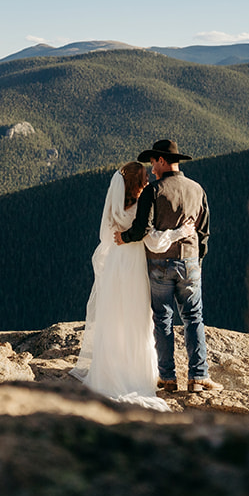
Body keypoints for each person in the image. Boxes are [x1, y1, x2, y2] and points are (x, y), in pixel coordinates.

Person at [70, 161, 188, 410]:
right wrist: (180, 232)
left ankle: (109, 370)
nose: (148, 179)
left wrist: (122, 239)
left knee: (113, 315)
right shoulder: (141, 206)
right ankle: (135, 373)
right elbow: (153, 241)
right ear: (136, 182)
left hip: (115, 262)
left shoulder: (116, 209)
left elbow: (107, 236)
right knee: (136, 317)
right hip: (134, 264)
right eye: (144, 176)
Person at [117, 139, 219, 393]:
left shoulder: (153, 191)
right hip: (190, 260)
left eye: (153, 162)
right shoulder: (198, 189)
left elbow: (140, 230)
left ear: (162, 160)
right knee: (194, 317)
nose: (152, 168)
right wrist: (198, 259)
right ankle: (198, 376)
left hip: (159, 263)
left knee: (162, 318)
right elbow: (204, 232)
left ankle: (168, 377)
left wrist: (124, 238)